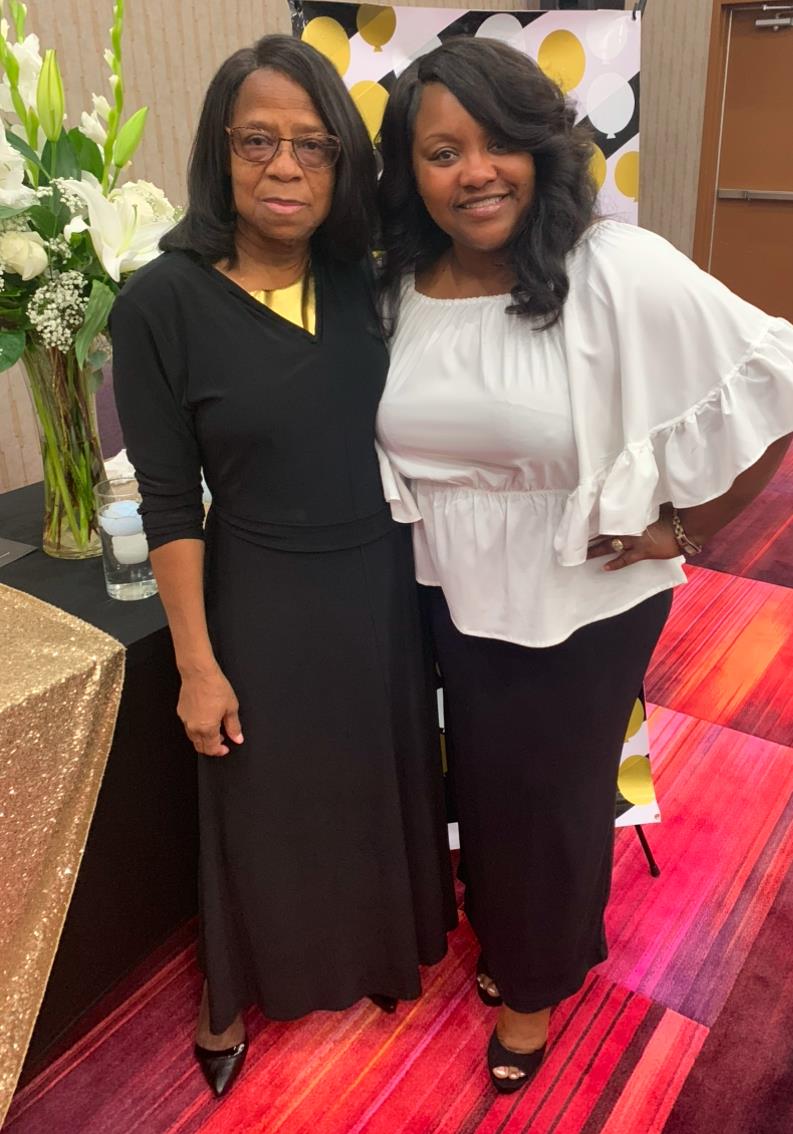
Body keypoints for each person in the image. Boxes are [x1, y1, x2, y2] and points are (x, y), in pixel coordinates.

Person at [375, 37, 793, 1094]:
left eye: (498, 144)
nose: (474, 172)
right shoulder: (400, 291)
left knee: (550, 798)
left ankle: (534, 984)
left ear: (541, 147)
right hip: (447, 588)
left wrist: (685, 532)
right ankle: (511, 931)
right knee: (483, 779)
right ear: (410, 174)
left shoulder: (612, 267)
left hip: (580, 591)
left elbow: (772, 376)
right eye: (441, 153)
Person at [110, 34, 456, 1099]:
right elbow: (169, 501)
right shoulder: (160, 302)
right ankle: (231, 994)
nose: (286, 167)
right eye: (257, 140)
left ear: (343, 161)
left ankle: (372, 948)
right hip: (258, 586)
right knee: (259, 797)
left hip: (379, 578)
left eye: (313, 145)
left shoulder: (367, 281)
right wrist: (196, 665)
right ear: (219, 151)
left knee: (371, 772)